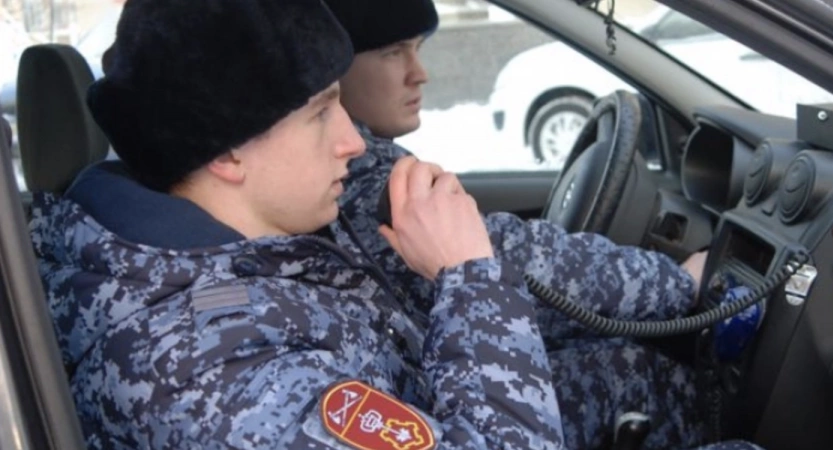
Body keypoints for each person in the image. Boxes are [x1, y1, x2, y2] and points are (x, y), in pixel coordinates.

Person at [31, 0, 567, 448]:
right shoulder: (203, 372)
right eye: (321, 113)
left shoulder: (272, 247)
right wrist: (470, 278)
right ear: (228, 152)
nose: (354, 142)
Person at [321, 0, 728, 448]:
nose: (420, 73)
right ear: (333, 68)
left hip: (427, 382)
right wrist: (679, 282)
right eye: (393, 52)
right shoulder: (364, 185)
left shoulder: (360, 171)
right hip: (435, 405)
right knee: (637, 375)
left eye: (418, 49)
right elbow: (508, 257)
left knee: (619, 359)